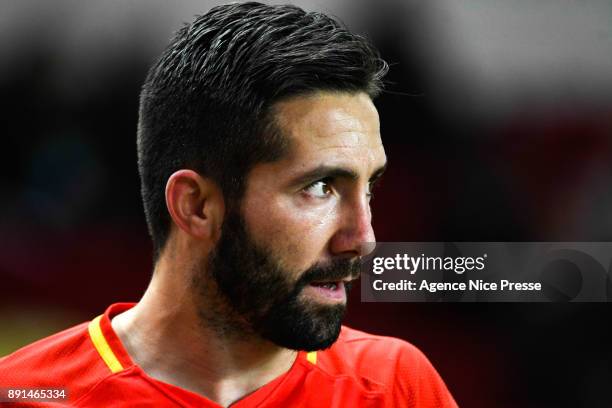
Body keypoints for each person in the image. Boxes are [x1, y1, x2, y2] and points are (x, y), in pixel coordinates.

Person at [0, 2, 457, 407]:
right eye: (319, 187)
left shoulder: (396, 385)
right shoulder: (24, 392)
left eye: (369, 188)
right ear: (196, 206)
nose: (364, 239)